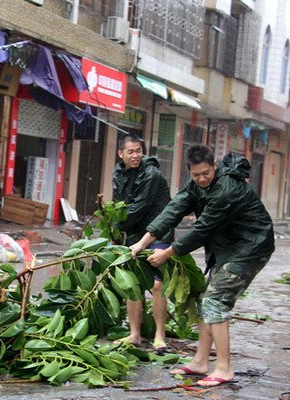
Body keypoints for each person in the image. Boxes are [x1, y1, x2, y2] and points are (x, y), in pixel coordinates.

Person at [130, 145, 274, 387]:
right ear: (190, 171)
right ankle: (200, 362)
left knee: (214, 301)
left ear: (214, 166)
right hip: (227, 249)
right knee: (205, 300)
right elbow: (172, 211)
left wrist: (166, 253)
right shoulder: (195, 185)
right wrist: (142, 243)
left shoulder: (227, 189)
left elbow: (201, 230)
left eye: (206, 173)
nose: (202, 179)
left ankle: (224, 368)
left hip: (251, 247)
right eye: (196, 175)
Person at [112, 135, 173, 351]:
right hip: (133, 235)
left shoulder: (152, 174)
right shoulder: (119, 173)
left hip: (158, 233)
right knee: (133, 285)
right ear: (121, 154)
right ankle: (134, 334)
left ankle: (159, 335)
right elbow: (119, 204)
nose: (136, 155)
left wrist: (115, 221)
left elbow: (138, 209)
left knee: (157, 285)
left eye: (138, 151)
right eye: (131, 151)